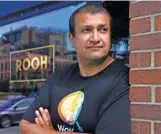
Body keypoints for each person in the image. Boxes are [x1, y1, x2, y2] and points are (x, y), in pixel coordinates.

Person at [19, 3, 131, 134]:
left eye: (102, 30)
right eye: (86, 30)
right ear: (71, 39)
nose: (95, 38)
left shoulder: (124, 80)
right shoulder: (58, 77)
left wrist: (47, 131)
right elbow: (25, 126)